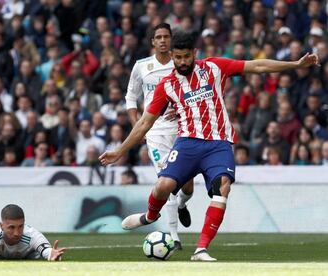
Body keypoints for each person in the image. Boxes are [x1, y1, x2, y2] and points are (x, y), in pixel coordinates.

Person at [99, 30, 319, 261]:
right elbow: (144, 122)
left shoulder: (214, 67)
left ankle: (201, 249)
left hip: (218, 143)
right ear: (172, 56)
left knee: (222, 187)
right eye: (178, 57)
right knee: (163, 186)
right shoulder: (167, 85)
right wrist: (120, 151)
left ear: (195, 53)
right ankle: (151, 216)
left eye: (186, 56)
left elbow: (256, 66)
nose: (183, 62)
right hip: (187, 144)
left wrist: (295, 64)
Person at [124, 23, 193, 250]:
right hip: (155, 133)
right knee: (167, 182)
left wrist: (182, 108)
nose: (163, 40)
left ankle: (182, 205)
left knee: (188, 188)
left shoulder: (181, 64)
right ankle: (174, 237)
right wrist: (138, 127)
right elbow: (131, 98)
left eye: (166, 36)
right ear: (152, 42)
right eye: (158, 37)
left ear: (171, 40)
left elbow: (192, 93)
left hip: (182, 130)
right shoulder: (142, 66)